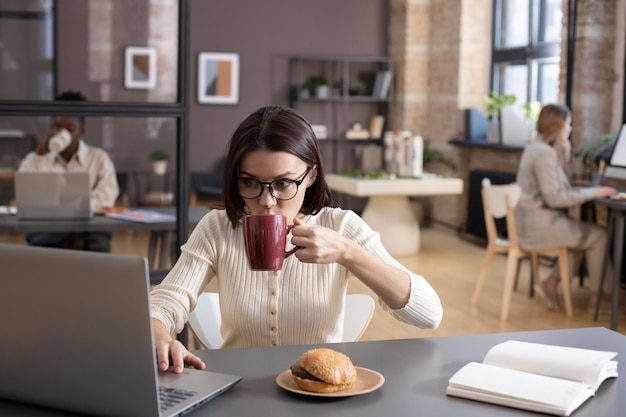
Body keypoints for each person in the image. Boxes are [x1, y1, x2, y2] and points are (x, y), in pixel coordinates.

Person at [150, 105, 443, 373]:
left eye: (283, 183)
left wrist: (348, 252)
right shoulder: (217, 227)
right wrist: (161, 337)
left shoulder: (340, 227)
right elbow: (165, 302)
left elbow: (429, 314)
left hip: (317, 395)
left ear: (311, 176)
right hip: (239, 388)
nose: (266, 201)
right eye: (250, 182)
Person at [514, 103, 617, 313]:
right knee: (598, 235)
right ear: (558, 126)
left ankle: (551, 283)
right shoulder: (544, 153)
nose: (570, 129)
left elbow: (562, 184)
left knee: (582, 235)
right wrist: (594, 192)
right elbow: (555, 198)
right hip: (539, 224)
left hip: (530, 221)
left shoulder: (537, 148)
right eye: (568, 124)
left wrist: (565, 155)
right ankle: (599, 298)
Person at [18, 90, 119, 252]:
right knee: (42, 242)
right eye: (56, 126)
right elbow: (25, 191)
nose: (61, 133)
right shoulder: (36, 158)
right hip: (48, 227)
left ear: (81, 131)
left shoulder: (99, 158)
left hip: (89, 228)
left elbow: (107, 195)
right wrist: (39, 155)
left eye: (69, 129)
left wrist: (76, 210)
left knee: (97, 243)